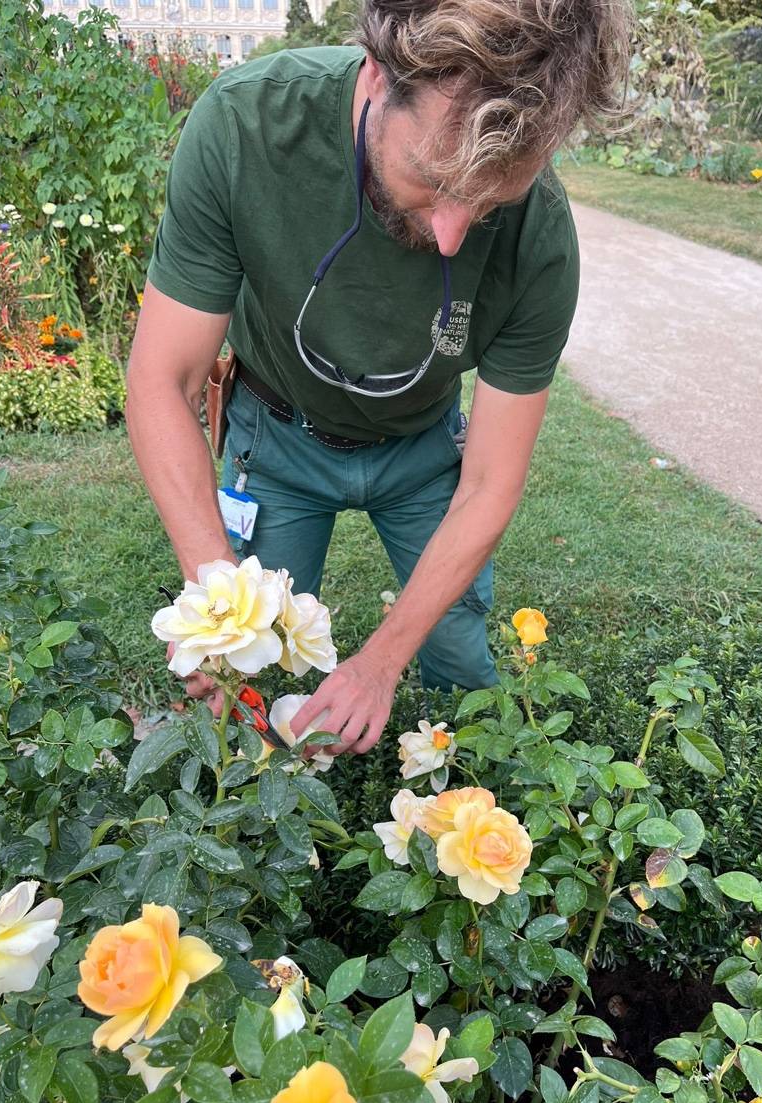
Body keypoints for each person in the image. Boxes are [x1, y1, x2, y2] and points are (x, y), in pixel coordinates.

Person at [126, 0, 630, 756]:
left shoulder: (541, 236)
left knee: (460, 651)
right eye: (433, 178)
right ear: (375, 78)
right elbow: (161, 381)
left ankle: (462, 793)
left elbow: (490, 483)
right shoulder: (246, 126)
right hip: (277, 432)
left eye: (490, 198)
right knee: (248, 675)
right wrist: (217, 599)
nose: (454, 232)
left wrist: (380, 662)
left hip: (423, 448)